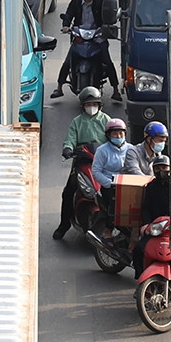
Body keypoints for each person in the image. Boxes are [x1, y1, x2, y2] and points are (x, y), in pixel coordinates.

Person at [55, 87, 111, 239]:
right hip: (82, 161)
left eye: (94, 103)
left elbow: (113, 138)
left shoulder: (106, 120)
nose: (91, 107)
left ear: (99, 105)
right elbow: (70, 139)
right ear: (83, 106)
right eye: (88, 104)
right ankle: (64, 224)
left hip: (103, 162)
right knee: (68, 193)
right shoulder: (77, 122)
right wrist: (68, 149)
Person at [53, 0, 119, 96]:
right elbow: (68, 15)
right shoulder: (75, 2)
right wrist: (66, 26)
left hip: (97, 37)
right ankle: (59, 87)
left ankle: (116, 90)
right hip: (80, 37)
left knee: (107, 61)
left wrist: (106, 29)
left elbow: (107, 18)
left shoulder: (100, 2)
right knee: (68, 61)